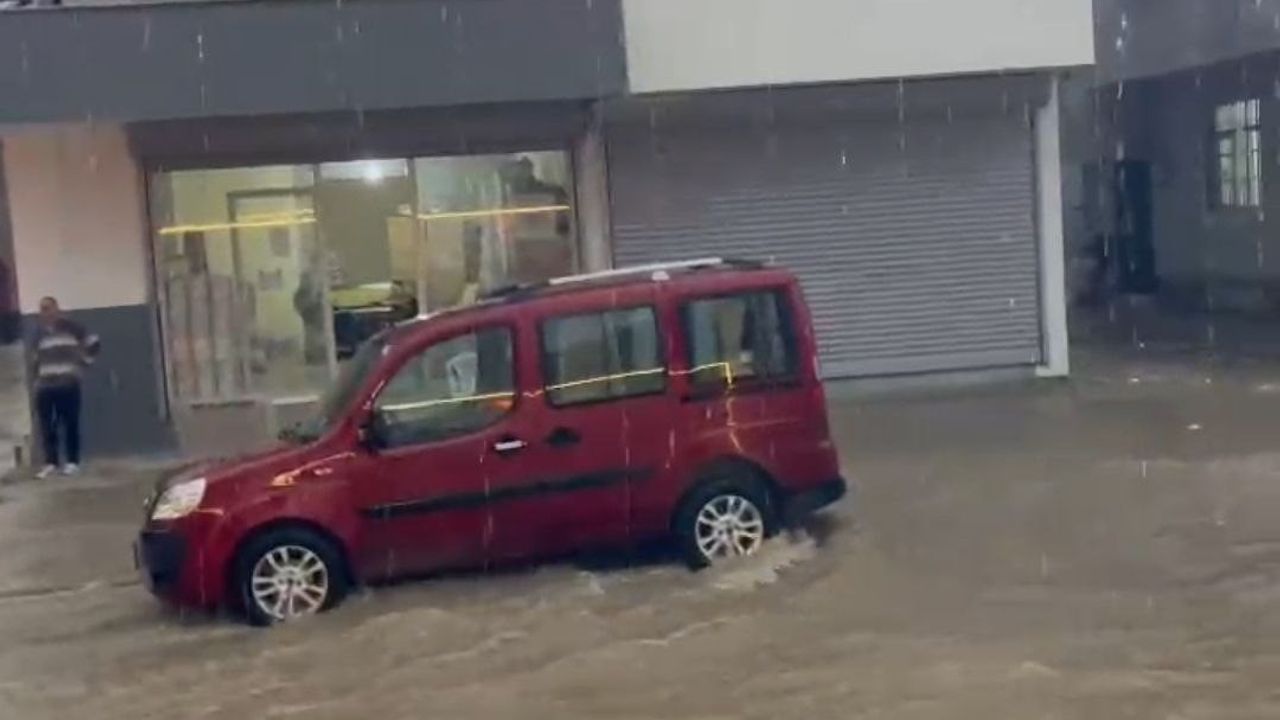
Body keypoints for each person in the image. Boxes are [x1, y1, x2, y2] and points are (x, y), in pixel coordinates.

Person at [31, 297, 99, 478]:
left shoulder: (72, 327)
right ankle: (51, 462)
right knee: (47, 426)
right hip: (45, 386)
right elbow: (35, 358)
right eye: (43, 309)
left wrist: (84, 363)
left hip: (67, 383)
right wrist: (36, 380)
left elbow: (93, 343)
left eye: (49, 308)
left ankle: (72, 462)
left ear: (57, 309)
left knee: (70, 423)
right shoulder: (39, 333)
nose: (46, 313)